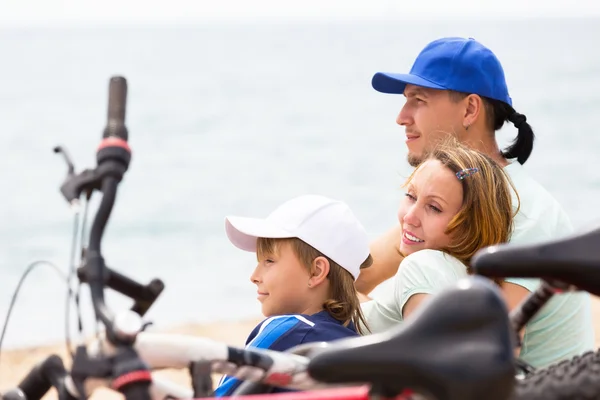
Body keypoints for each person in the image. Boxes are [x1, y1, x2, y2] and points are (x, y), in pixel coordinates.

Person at [356, 37, 594, 368]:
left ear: (470, 109)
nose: (401, 116)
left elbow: (487, 355)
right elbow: (357, 271)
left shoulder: (520, 210)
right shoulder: (441, 197)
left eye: (418, 100)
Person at [213, 194, 373, 396]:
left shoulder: (288, 330)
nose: (254, 277)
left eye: (269, 261)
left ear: (316, 271)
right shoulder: (351, 345)